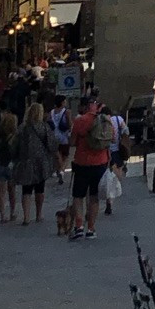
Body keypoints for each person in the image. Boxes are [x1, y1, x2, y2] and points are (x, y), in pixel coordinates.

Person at [67, 92, 112, 241]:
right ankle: (91, 228)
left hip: (82, 162)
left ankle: (79, 225)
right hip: (100, 162)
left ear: (84, 106)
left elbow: (72, 142)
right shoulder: (105, 120)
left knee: (78, 196)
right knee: (94, 197)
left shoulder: (80, 121)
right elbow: (113, 138)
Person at [12, 106, 55, 226]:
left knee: (26, 190)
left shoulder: (22, 128)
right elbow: (51, 144)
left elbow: (15, 144)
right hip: (41, 162)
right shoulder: (44, 127)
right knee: (40, 188)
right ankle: (39, 214)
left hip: (25, 161)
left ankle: (26, 217)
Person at [0, 115, 18, 225]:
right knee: (12, 191)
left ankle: (2, 215)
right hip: (11, 165)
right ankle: (12, 212)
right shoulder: (15, 136)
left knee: (0, 193)